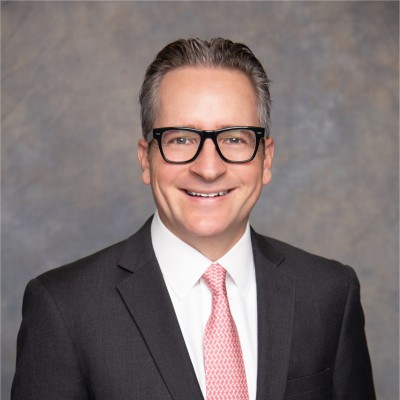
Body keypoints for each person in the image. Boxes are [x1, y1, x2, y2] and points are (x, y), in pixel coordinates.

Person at [12, 38, 375, 400]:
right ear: (146, 159)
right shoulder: (64, 308)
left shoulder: (329, 293)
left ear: (265, 159)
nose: (208, 169)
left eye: (234, 139)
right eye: (182, 140)